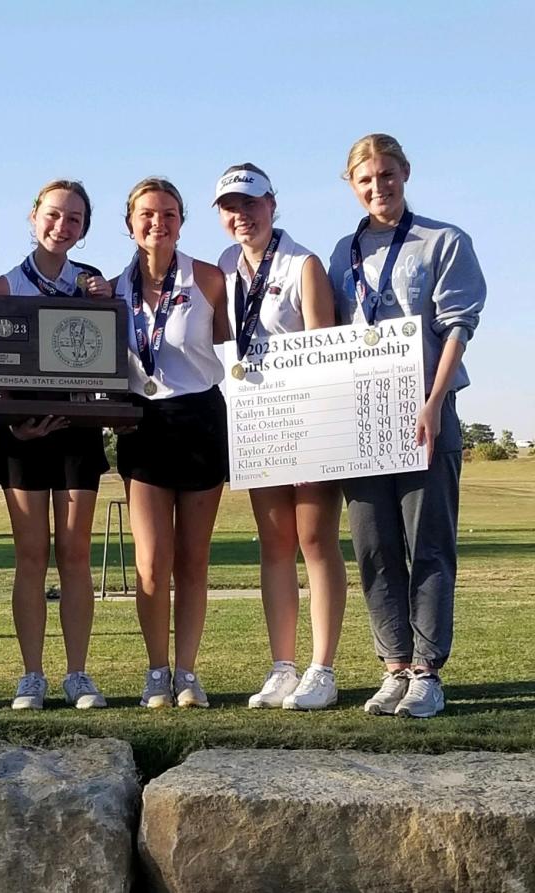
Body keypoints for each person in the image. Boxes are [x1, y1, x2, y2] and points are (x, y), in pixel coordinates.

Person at [329, 134, 485, 718]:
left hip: (426, 411)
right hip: (365, 418)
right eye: (366, 180)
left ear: (405, 173)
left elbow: (456, 328)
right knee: (374, 546)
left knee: (429, 545)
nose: (379, 188)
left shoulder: (443, 240)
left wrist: (433, 400)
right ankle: (393, 666)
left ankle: (427, 671)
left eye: (387, 176)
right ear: (351, 185)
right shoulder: (343, 251)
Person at [215, 164, 348, 710]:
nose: (241, 216)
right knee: (274, 544)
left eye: (251, 204)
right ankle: (282, 666)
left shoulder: (304, 264)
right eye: (230, 207)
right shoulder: (224, 266)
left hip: (310, 420)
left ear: (273, 204)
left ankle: (323, 667)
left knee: (315, 540)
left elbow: (324, 348)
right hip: (257, 423)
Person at [0, 179, 113, 710]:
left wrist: (109, 302)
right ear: (33, 215)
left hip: (78, 435)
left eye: (75, 219)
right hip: (21, 437)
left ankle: (78, 674)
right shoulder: (1, 287)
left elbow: (114, 358)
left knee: (76, 553)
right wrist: (14, 423)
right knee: (31, 555)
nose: (63, 226)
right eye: (54, 215)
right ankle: (32, 675)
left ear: (84, 229)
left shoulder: (95, 286)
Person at [112, 177, 230, 708]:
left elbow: (243, 343)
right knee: (152, 562)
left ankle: (188, 673)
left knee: (193, 561)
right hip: (143, 425)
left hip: (201, 418)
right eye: (147, 214)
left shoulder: (209, 278)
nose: (158, 223)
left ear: (182, 221)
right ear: (130, 223)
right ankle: (156, 671)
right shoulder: (110, 291)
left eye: (169, 214)